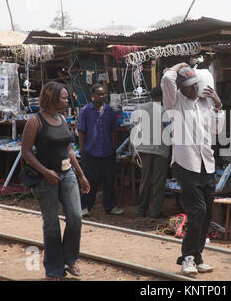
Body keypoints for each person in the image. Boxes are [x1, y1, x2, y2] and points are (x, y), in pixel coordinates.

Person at [21, 81, 90, 281]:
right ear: (51, 98)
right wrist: (45, 172)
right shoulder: (36, 121)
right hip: (45, 178)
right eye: (64, 97)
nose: (67, 100)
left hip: (67, 174)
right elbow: (25, 152)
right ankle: (53, 269)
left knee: (75, 217)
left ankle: (70, 259)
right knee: (51, 224)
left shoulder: (62, 118)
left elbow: (68, 149)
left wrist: (81, 175)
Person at [161, 63, 225, 276]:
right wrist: (181, 65)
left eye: (194, 84)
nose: (192, 89)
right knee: (197, 211)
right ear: (180, 87)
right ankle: (187, 258)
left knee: (206, 214)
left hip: (206, 164)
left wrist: (218, 105)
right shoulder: (175, 102)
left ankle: (198, 257)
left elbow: (218, 130)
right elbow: (167, 79)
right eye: (187, 86)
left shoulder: (205, 103)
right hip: (185, 164)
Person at [78, 84, 123, 216]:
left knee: (109, 180)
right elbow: (81, 131)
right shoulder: (86, 110)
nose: (102, 96)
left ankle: (110, 206)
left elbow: (114, 130)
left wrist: (114, 146)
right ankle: (85, 207)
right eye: (99, 94)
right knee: (89, 181)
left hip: (107, 152)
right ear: (92, 95)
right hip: (90, 152)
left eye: (104, 94)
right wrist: (82, 149)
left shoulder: (109, 111)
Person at [132, 87, 171, 218]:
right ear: (161, 97)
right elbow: (170, 131)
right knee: (158, 182)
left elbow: (134, 130)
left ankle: (141, 210)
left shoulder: (139, 108)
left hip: (143, 149)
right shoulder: (165, 110)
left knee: (144, 181)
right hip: (160, 150)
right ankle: (155, 211)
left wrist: (134, 150)